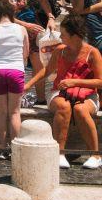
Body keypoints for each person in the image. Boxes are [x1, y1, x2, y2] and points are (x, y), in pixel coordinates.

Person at [25, 14, 102, 170]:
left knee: (80, 109)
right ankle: (59, 153)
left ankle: (95, 154)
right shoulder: (60, 50)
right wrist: (28, 85)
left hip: (87, 94)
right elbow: (47, 70)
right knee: (63, 107)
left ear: (74, 36)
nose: (60, 37)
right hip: (59, 92)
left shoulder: (92, 53)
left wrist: (74, 82)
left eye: (64, 34)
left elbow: (100, 81)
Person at [0, 1, 29, 156]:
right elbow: (26, 53)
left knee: (1, 112)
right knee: (15, 112)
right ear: (12, 14)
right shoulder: (22, 29)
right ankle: (15, 149)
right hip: (16, 70)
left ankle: (3, 148)